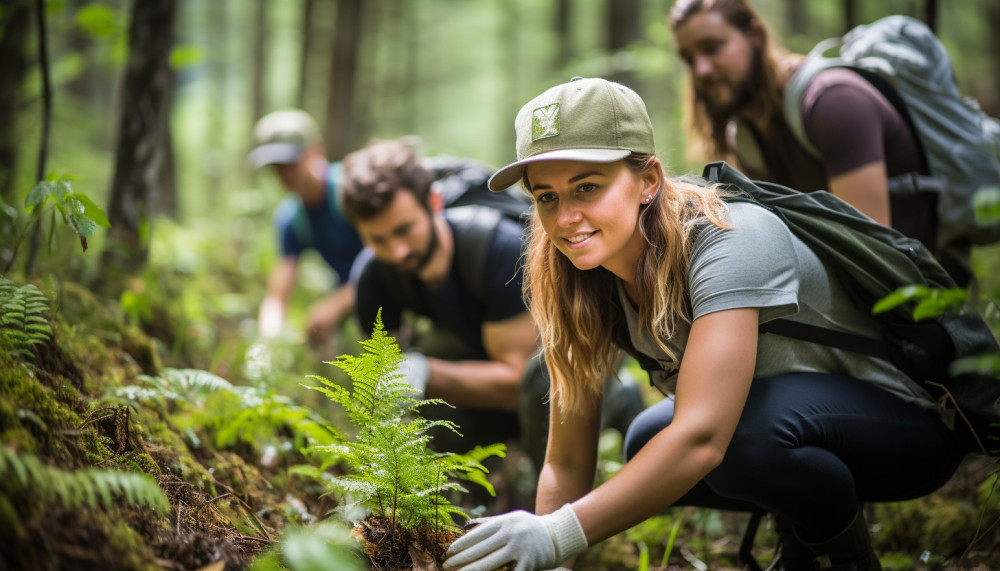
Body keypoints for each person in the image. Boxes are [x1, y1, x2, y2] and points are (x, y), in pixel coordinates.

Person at [442, 77, 974, 571]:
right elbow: (567, 458)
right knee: (650, 438)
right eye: (546, 196)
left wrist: (557, 533)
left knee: (734, 435)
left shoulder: (730, 239)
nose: (564, 219)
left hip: (911, 428)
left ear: (647, 179)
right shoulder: (576, 275)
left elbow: (703, 437)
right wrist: (547, 561)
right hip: (791, 422)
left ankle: (845, 561)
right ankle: (804, 537)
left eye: (587, 187)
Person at [340, 138, 644, 476]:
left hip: (557, 371)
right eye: (377, 240)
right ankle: (474, 483)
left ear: (434, 202)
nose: (396, 252)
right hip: (483, 362)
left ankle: (615, 402)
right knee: (425, 367)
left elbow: (517, 383)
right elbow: (379, 381)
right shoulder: (372, 276)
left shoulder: (496, 248)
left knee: (539, 378)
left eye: (404, 230)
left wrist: (425, 373)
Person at [667, 0, 971, 285]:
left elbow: (871, 258)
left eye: (712, 48)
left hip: (923, 301)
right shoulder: (748, 136)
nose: (701, 70)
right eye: (689, 58)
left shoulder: (833, 102)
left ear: (755, 34)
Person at [249, 109, 365, 348]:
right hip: (352, 298)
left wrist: (336, 304)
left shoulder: (353, 192)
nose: (283, 174)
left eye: (290, 162)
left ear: (316, 152)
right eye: (276, 166)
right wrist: (266, 342)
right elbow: (277, 295)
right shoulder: (291, 218)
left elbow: (392, 261)